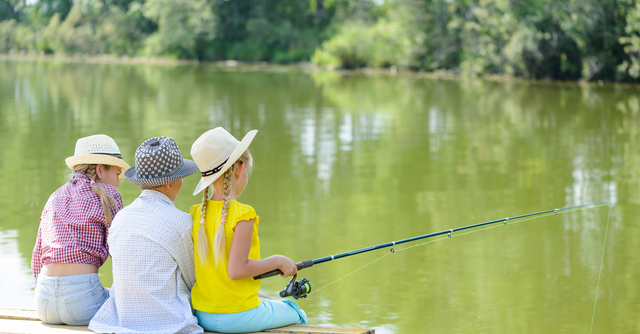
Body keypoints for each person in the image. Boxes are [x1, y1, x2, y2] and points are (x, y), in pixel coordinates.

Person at [188, 127, 308, 333]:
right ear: (239, 169)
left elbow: (220, 276)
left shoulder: (196, 214)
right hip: (238, 317)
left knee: (266, 300)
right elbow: (236, 270)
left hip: (203, 315)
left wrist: (254, 295)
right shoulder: (242, 214)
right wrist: (277, 261)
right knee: (297, 312)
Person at [88, 136, 203, 334]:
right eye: (181, 176)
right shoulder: (181, 222)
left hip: (123, 323)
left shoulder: (120, 219)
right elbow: (193, 280)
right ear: (170, 183)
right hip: (170, 325)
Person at [31, 134, 130, 326]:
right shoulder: (108, 194)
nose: (118, 182)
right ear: (100, 170)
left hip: (42, 302)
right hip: (81, 303)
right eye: (117, 174)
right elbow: (122, 252)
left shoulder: (55, 196)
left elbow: (37, 252)